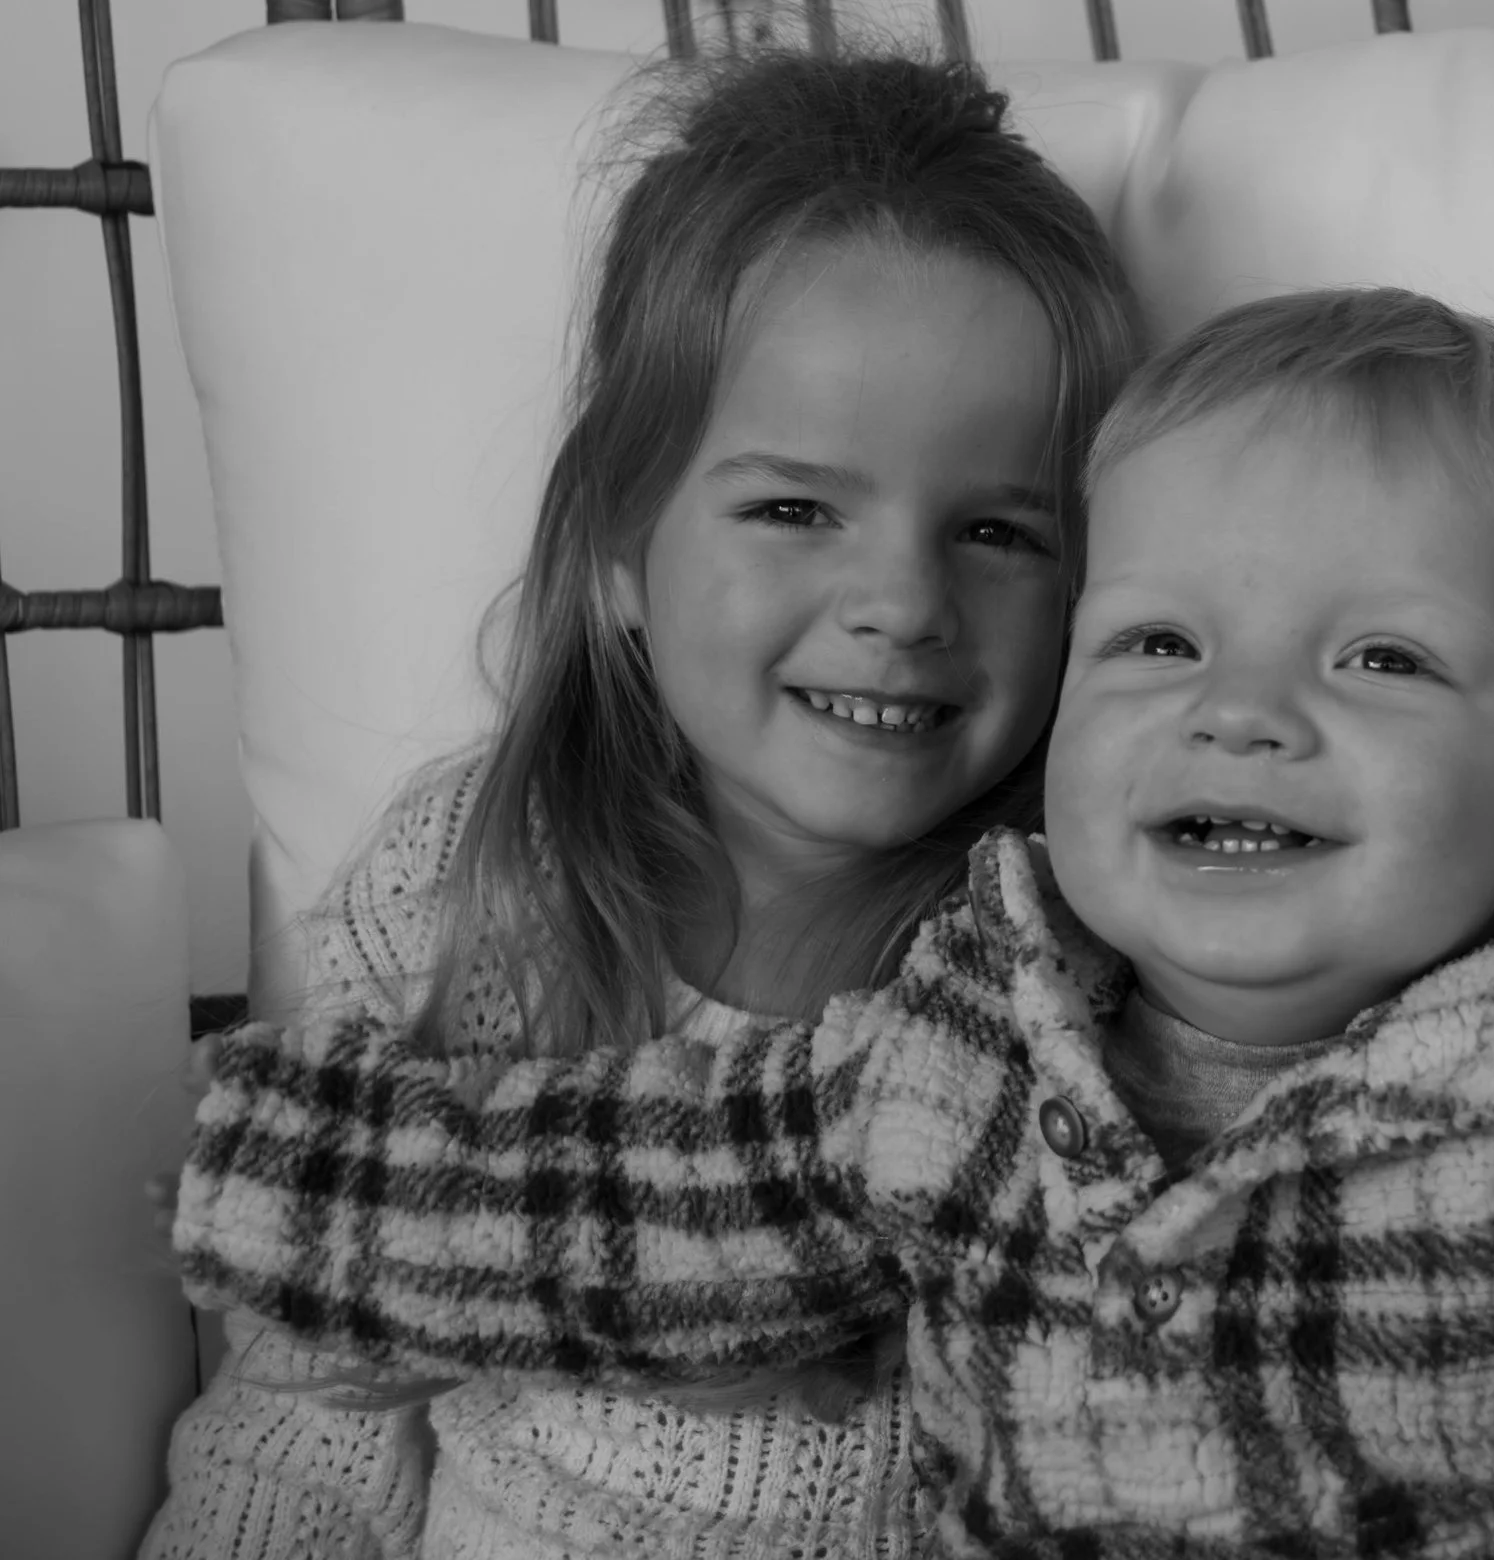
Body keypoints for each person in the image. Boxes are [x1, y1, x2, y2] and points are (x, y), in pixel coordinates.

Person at [170, 289, 1494, 1560]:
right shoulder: (960, 1037)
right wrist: (286, 1175)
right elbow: (637, 1195)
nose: (1243, 713)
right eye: (1155, 650)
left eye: (1379, 663)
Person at [140, 39, 1138, 1560]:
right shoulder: (466, 878)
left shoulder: (1066, 965)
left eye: (1000, 530)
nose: (902, 601)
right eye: (796, 507)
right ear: (620, 543)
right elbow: (306, 1428)